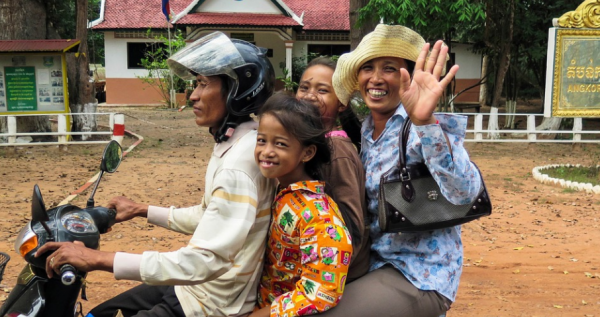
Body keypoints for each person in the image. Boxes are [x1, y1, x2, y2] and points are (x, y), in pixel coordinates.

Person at [36, 31, 277, 317]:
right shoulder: (236, 141)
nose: (193, 95)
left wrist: (99, 259)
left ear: (239, 89)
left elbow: (206, 261)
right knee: (98, 313)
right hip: (195, 288)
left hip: (209, 305)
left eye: (202, 84)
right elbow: (208, 217)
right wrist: (141, 210)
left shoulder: (239, 165)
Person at [317, 24, 483, 317]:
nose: (376, 78)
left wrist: (425, 122)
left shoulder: (420, 128)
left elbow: (464, 191)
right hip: (374, 264)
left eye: (390, 68)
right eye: (368, 68)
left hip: (418, 273)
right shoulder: (366, 132)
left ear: (407, 77)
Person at [250, 93, 353, 317]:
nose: (266, 151)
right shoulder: (278, 189)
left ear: (307, 152)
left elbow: (323, 290)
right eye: (261, 140)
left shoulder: (319, 215)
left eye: (280, 144)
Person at [295, 57, 369, 283]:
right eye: (304, 87)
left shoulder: (336, 150)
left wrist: (328, 278)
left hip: (337, 274)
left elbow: (353, 224)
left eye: (323, 90)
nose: (309, 95)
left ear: (342, 103)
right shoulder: (309, 144)